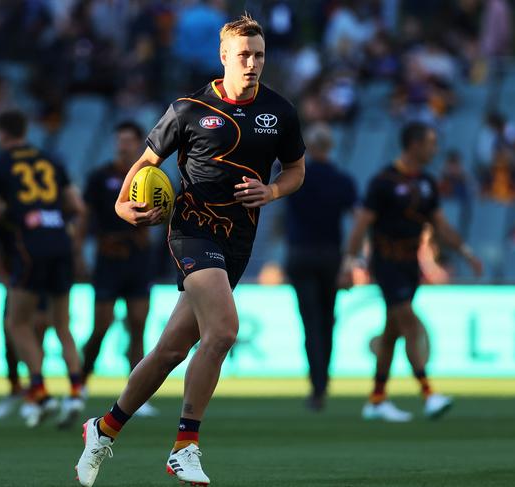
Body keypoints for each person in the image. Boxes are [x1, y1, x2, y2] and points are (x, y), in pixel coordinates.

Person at [75, 14, 305, 487]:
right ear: (224, 57)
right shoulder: (187, 109)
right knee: (222, 331)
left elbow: (296, 170)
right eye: (244, 55)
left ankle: (103, 428)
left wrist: (273, 191)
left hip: (238, 240)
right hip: (193, 230)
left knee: (169, 350)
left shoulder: (280, 112)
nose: (253, 63)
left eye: (259, 54)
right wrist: (123, 207)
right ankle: (185, 446)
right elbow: (144, 165)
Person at [340, 122, 482, 422]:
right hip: (387, 263)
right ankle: (429, 394)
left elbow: (440, 225)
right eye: (431, 143)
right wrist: (349, 264)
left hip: (409, 266)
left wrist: (466, 253)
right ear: (414, 144)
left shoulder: (428, 183)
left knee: (392, 333)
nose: (435, 148)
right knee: (410, 326)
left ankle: (377, 399)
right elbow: (361, 226)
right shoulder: (383, 182)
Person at [0, 110, 86, 428]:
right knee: (62, 324)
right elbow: (76, 207)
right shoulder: (51, 159)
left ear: (1, 133)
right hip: (60, 244)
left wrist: (12, 212)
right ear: (26, 129)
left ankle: (39, 391)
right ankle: (77, 390)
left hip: (30, 247)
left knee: (17, 322)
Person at [78, 121, 158, 417]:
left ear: (138, 144)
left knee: (138, 325)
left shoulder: (152, 176)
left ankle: (137, 397)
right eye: (120, 140)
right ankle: (81, 383)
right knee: (102, 325)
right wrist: (79, 254)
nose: (123, 145)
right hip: (108, 259)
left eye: (128, 141)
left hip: (138, 259)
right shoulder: (99, 178)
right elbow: (85, 218)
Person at [284, 122, 357, 411]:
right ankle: (322, 384)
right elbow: (358, 219)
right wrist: (352, 261)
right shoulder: (343, 180)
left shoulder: (295, 177)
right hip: (330, 255)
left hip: (300, 254)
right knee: (327, 322)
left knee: (310, 323)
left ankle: (316, 387)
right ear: (331, 146)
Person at [0, 215, 51, 420]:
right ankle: (15, 386)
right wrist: (3, 276)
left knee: (38, 329)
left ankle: (35, 391)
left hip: (40, 274)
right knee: (10, 331)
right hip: (17, 277)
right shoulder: (1, 210)